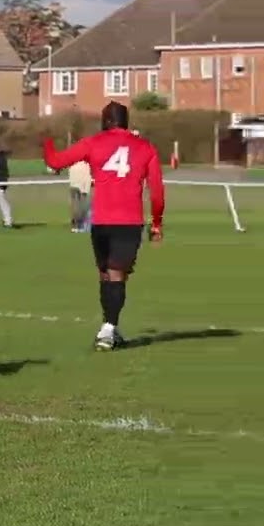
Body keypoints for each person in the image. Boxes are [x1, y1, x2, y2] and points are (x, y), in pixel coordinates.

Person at [42, 102, 165, 351]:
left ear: (105, 121)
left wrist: (45, 140)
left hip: (101, 221)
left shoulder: (92, 143)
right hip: (129, 221)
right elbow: (157, 192)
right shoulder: (145, 147)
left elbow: (55, 162)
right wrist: (157, 222)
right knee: (117, 275)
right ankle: (109, 328)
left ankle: (110, 328)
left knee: (106, 275)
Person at [68, 161, 92, 233]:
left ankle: (75, 222)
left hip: (73, 182)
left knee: (75, 203)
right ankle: (80, 224)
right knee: (82, 204)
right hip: (82, 183)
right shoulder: (87, 160)